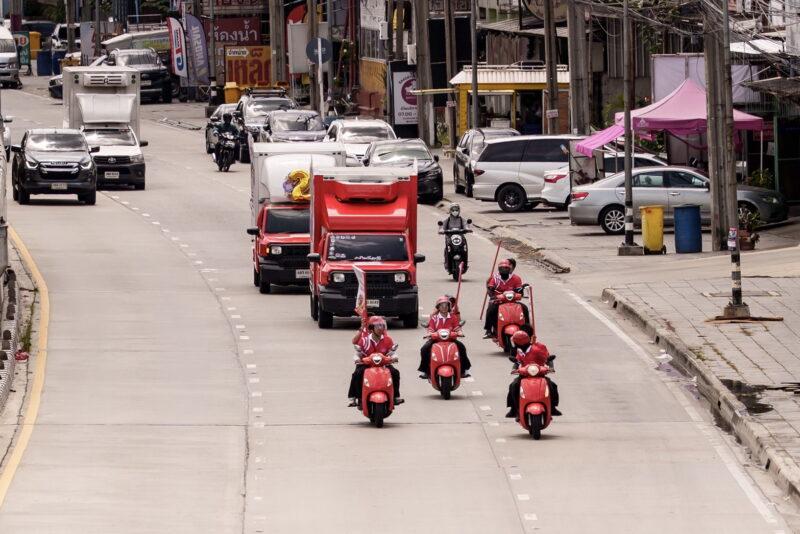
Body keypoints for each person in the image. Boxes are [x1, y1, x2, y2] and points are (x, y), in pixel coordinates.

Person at [348, 316, 403, 407]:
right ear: (371, 328)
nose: (380, 328)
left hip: (383, 364)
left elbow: (392, 353)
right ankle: (355, 397)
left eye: (382, 326)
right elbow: (357, 354)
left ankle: (395, 397)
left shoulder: (388, 340)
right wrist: (357, 359)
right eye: (377, 326)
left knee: (395, 372)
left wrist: (394, 358)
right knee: (357, 373)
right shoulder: (364, 340)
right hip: (367, 364)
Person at [505, 330, 561, 419]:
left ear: (519, 343)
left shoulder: (538, 349)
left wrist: (551, 367)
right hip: (524, 375)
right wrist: (514, 369)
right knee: (513, 386)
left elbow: (548, 359)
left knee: (552, 386)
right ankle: (514, 409)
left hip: (539, 374)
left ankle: (553, 407)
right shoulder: (520, 351)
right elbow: (517, 361)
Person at [418, 296, 471, 379]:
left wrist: (460, 333)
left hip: (451, 340)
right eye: (442, 305)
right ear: (438, 307)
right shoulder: (434, 318)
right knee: (424, 349)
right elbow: (431, 329)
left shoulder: (453, 317)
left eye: (446, 305)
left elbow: (457, 328)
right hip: (436, 340)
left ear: (449, 307)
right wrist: (429, 334)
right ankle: (425, 371)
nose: (444, 307)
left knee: (462, 348)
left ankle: (464, 370)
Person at [483, 259, 529, 337]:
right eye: (502, 268)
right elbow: (490, 288)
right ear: (499, 269)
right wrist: (492, 293)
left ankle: (527, 329)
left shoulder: (516, 278)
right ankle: (488, 330)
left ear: (510, 269)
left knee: (524, 308)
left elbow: (519, 291)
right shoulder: (495, 278)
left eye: (506, 268)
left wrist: (521, 289)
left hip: (512, 300)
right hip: (498, 301)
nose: (504, 270)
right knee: (491, 309)